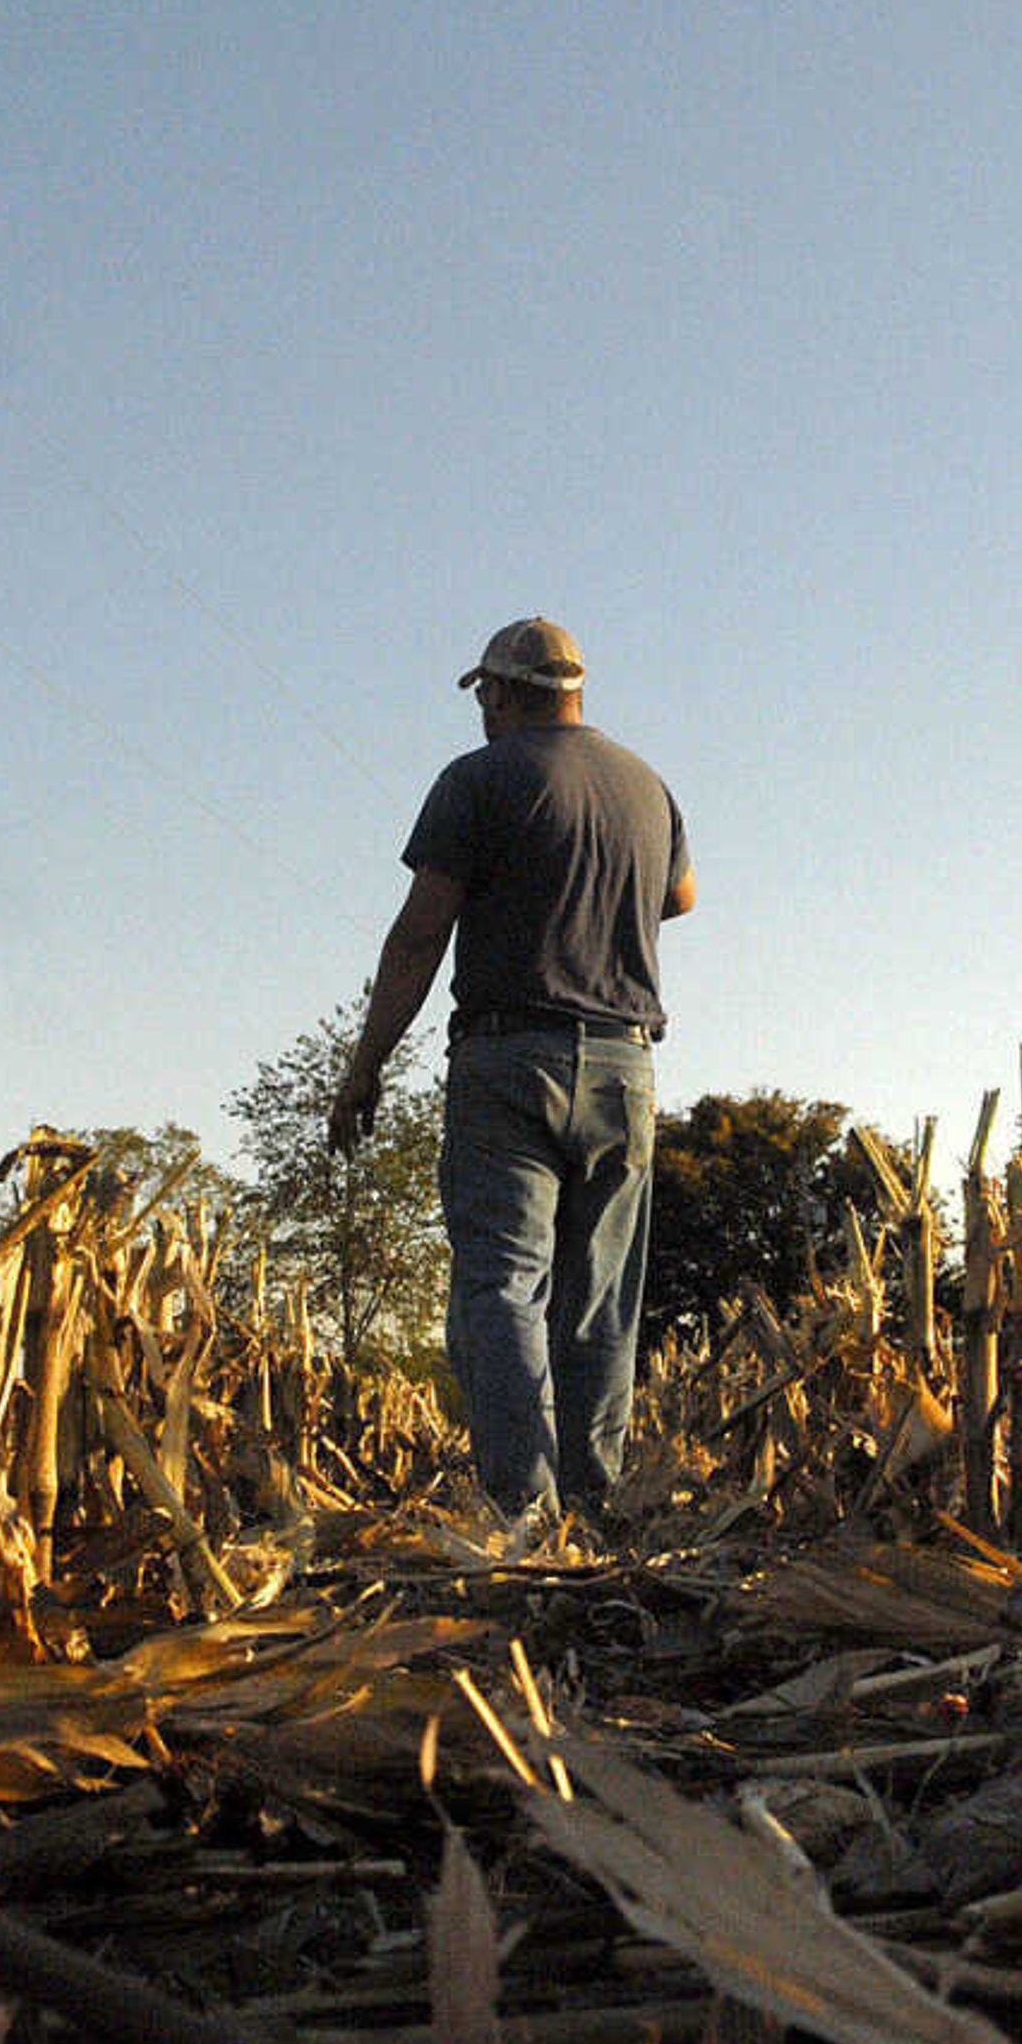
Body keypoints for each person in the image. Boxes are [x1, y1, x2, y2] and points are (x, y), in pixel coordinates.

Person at [330, 618, 694, 1524]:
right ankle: (594, 1503)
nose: (481, 710)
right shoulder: (646, 786)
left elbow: (419, 937)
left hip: (509, 1059)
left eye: (484, 694)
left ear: (505, 692)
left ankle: (521, 1514)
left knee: (500, 1282)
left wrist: (366, 1064)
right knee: (600, 1299)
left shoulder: (478, 780)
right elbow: (680, 897)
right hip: (624, 1066)